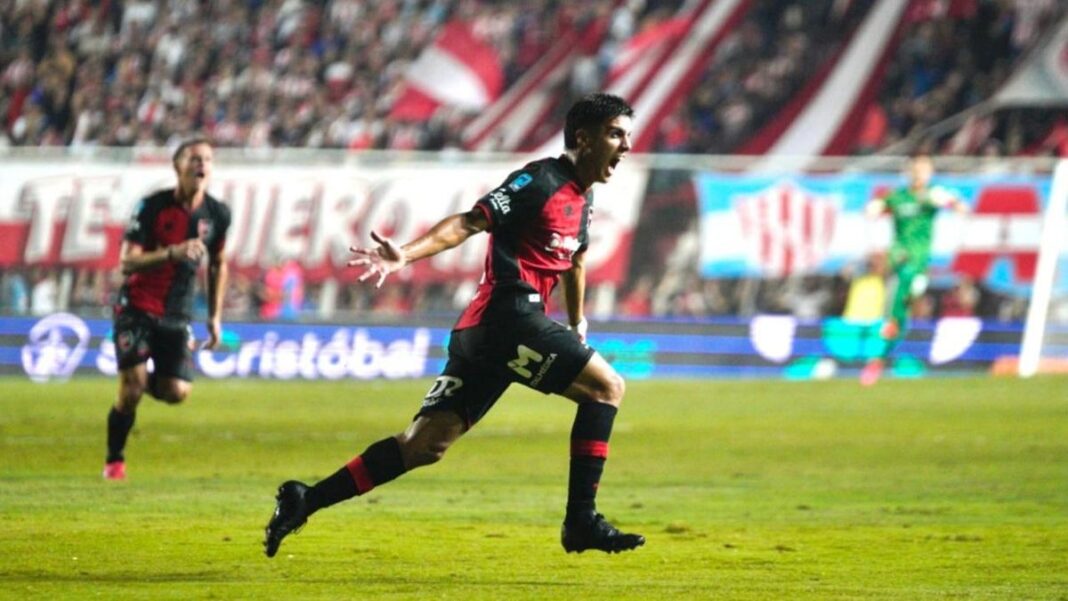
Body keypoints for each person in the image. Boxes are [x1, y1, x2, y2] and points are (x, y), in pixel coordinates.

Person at [264, 93, 645, 556]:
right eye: (615, 134)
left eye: (627, 135)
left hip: (487, 336)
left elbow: (576, 261)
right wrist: (405, 253)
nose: (625, 146)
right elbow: (469, 222)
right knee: (607, 388)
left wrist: (578, 320)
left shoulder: (583, 202)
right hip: (509, 318)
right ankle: (581, 521)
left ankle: (306, 499)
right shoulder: (539, 180)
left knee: (423, 445)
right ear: (583, 138)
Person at [103, 138, 230, 480]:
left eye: (207, 158)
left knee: (177, 392)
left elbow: (218, 263)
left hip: (177, 314)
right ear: (178, 167)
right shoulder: (152, 207)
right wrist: (172, 253)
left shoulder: (217, 214)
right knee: (130, 391)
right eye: (194, 158)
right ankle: (114, 459)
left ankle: (138, 375)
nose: (201, 164)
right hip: (136, 307)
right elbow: (126, 262)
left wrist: (214, 317)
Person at [859, 153, 967, 386]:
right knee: (905, 284)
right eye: (917, 169)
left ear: (930, 172)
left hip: (921, 262)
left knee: (903, 312)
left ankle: (883, 349)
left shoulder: (932, 196)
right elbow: (876, 205)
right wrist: (873, 208)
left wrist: (957, 205)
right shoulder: (898, 197)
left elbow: (955, 203)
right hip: (901, 259)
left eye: (925, 169)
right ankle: (881, 347)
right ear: (910, 171)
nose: (920, 173)